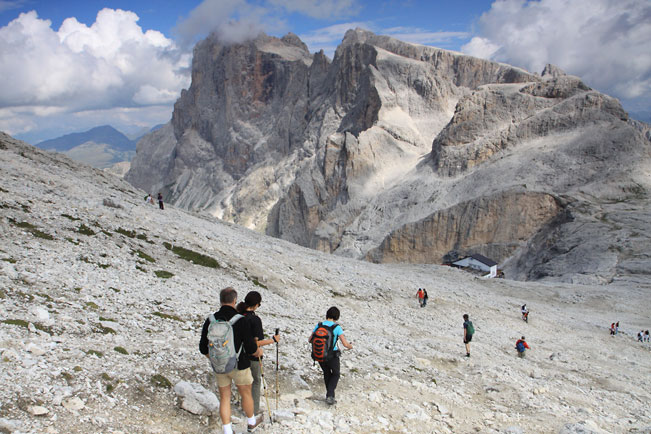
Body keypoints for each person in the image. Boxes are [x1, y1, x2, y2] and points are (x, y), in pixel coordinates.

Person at [199, 287, 263, 434]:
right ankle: (251, 423)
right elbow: (250, 346)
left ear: (220, 300)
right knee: (246, 394)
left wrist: (216, 359)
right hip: (239, 365)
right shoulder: (240, 320)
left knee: (225, 397)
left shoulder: (211, 320)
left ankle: (228, 430)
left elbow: (203, 348)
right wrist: (258, 351)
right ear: (235, 300)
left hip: (220, 366)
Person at [236, 291, 280, 419]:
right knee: (255, 382)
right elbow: (257, 342)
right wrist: (273, 340)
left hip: (239, 355)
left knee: (244, 381)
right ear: (255, 305)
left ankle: (243, 405)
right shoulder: (255, 319)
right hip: (253, 356)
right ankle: (253, 410)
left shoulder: (238, 317)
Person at [309, 306, 353, 405]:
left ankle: (329, 395)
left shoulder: (319, 325)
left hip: (320, 354)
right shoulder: (336, 327)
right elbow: (345, 344)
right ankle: (330, 395)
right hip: (332, 355)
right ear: (337, 317)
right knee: (336, 374)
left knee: (327, 373)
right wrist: (351, 346)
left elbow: (310, 340)